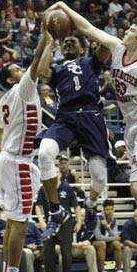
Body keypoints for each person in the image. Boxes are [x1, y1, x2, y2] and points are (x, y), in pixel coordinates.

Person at [47, 1, 137, 272]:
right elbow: (86, 27)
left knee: (136, 187)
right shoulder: (118, 49)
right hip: (130, 129)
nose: (126, 30)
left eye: (131, 29)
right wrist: (63, 6)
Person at [35, 32, 115, 239]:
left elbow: (107, 45)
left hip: (90, 114)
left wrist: (86, 30)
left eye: (73, 41)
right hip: (66, 116)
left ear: (82, 49)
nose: (68, 42)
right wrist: (50, 44)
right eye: (65, 42)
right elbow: (42, 72)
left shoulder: (90, 62)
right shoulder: (59, 70)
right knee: (44, 154)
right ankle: (55, 211)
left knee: (99, 176)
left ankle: (90, 204)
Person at [0, 29, 50, 272]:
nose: (20, 69)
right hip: (16, 161)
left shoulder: (6, 98)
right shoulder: (23, 89)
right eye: (15, 69)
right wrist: (48, 37)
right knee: (21, 225)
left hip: (6, 160)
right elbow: (37, 63)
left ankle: (7, 271)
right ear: (11, 79)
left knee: (14, 221)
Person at [35, 172, 81, 272]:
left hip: (65, 224)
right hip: (50, 224)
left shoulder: (67, 188)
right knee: (48, 253)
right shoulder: (44, 188)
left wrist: (79, 222)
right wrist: (41, 221)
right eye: (52, 173)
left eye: (56, 173)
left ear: (60, 175)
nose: (54, 175)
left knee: (66, 254)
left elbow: (76, 206)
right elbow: (37, 206)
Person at [0, 205, 27, 272]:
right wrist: (5, 247)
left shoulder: (5, 224)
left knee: (21, 252)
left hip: (6, 248)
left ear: (0, 214)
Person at [93, 199, 123, 272]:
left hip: (108, 245)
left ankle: (119, 271)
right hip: (95, 245)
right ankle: (103, 271)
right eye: (107, 209)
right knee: (102, 243)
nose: (110, 211)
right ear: (103, 210)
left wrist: (108, 228)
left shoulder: (115, 220)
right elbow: (98, 237)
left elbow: (114, 235)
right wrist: (113, 238)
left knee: (116, 244)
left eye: (111, 209)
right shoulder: (98, 219)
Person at [71, 208, 98, 272]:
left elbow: (87, 240)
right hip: (69, 249)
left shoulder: (83, 226)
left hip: (79, 248)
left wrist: (85, 243)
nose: (83, 218)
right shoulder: (70, 224)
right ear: (77, 215)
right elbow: (66, 242)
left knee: (90, 248)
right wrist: (79, 245)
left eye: (84, 216)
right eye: (81, 216)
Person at [121, 208, 137, 272]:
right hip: (130, 247)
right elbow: (126, 241)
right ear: (133, 217)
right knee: (127, 250)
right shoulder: (128, 224)